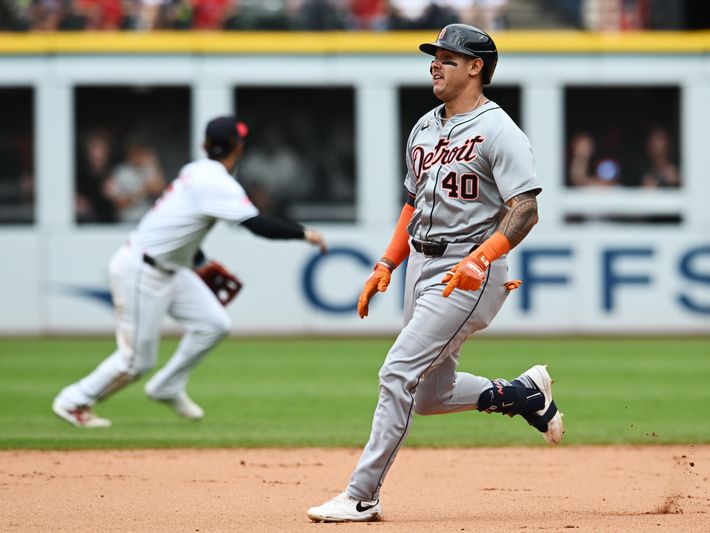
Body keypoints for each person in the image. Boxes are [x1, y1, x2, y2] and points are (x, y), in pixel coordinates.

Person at [307, 24, 564, 523]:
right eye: (435, 56)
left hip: (468, 269)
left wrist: (482, 258)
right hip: (422, 265)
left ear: (476, 68)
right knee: (429, 395)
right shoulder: (425, 126)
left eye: (449, 57)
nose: (436, 64)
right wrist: (386, 263)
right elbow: (412, 203)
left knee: (397, 371)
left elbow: (525, 209)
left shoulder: (499, 131)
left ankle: (362, 494)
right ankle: (522, 394)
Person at [52, 116, 328, 428]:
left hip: (170, 267)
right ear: (238, 147)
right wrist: (304, 233)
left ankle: (167, 385)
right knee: (136, 362)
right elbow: (257, 224)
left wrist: (199, 261)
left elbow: (177, 225)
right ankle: (72, 401)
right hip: (142, 271)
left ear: (205, 146)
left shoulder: (194, 170)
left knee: (214, 324)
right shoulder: (217, 182)